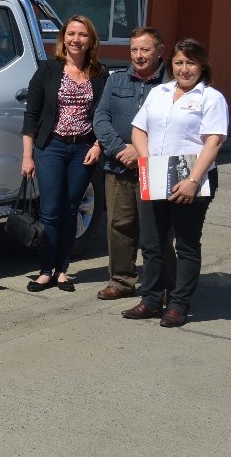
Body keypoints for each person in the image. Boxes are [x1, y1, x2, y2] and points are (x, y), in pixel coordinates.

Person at [122, 38, 228, 327]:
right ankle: (151, 299)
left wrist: (193, 180)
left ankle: (179, 305)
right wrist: (147, 162)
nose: (184, 69)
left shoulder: (211, 98)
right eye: (179, 62)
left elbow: (213, 142)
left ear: (202, 65)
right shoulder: (159, 92)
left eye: (191, 62)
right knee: (153, 243)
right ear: (171, 65)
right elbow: (138, 129)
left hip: (191, 175)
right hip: (156, 172)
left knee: (186, 244)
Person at [21, 15, 107, 292]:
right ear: (63, 38)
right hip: (51, 147)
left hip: (84, 148)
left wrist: (98, 145)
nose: (76, 40)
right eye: (71, 34)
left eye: (82, 35)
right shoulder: (47, 70)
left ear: (90, 40)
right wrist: (27, 155)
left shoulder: (100, 73)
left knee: (71, 211)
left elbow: (105, 115)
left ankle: (62, 270)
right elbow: (31, 116)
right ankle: (45, 270)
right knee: (50, 211)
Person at [92, 27, 176, 301]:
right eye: (134, 50)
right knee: (119, 224)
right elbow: (100, 118)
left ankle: (164, 284)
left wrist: (139, 152)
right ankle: (121, 281)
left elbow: (175, 129)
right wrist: (119, 149)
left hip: (155, 167)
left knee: (158, 230)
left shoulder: (172, 83)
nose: (139, 56)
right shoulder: (116, 81)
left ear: (160, 50)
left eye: (145, 49)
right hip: (118, 166)